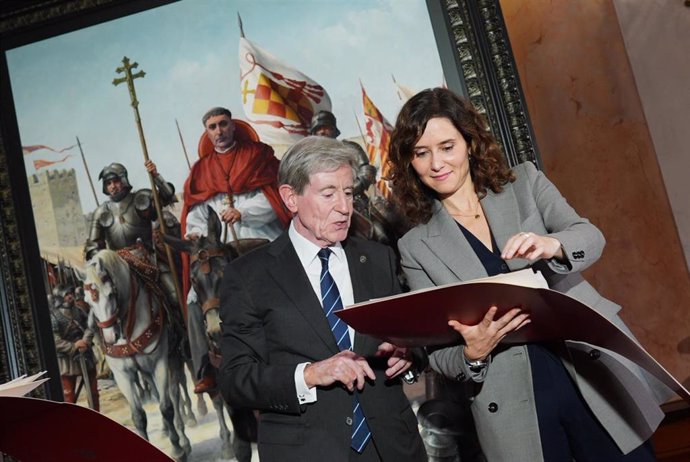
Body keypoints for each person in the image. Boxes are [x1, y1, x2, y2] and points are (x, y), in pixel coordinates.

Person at [388, 87, 673, 461]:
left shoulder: (523, 184)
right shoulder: (415, 246)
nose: (436, 163)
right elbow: (438, 354)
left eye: (446, 146)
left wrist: (551, 245)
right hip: (511, 403)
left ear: (469, 142)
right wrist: (472, 353)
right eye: (421, 153)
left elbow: (591, 236)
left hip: (588, 371)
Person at [218, 136, 427, 461]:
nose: (344, 208)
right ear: (290, 198)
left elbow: (415, 339)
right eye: (329, 194)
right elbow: (235, 379)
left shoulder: (378, 258)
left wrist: (410, 353)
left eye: (348, 193)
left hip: (393, 448)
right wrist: (310, 375)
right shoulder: (247, 276)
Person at [182, 107, 291, 394]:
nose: (218, 131)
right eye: (212, 127)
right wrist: (194, 231)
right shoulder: (201, 170)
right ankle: (204, 365)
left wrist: (242, 212)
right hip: (218, 246)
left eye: (223, 124)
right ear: (207, 133)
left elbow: (274, 199)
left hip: (257, 235)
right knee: (195, 299)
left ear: (233, 126)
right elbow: (195, 211)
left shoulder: (257, 155)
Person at [310, 110, 402, 246]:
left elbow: (367, 171)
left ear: (334, 130)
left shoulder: (350, 148)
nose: (322, 132)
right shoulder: (310, 160)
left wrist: (350, 190)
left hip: (357, 203)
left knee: (382, 234)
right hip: (329, 209)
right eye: (318, 129)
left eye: (326, 127)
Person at [51, 284, 100, 411]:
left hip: (86, 354)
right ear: (60, 297)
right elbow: (55, 341)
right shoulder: (54, 316)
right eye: (67, 294)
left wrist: (85, 341)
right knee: (69, 395)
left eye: (71, 293)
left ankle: (97, 418)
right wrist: (73, 346)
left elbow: (90, 326)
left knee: (93, 392)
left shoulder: (79, 310)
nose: (70, 296)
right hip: (67, 359)